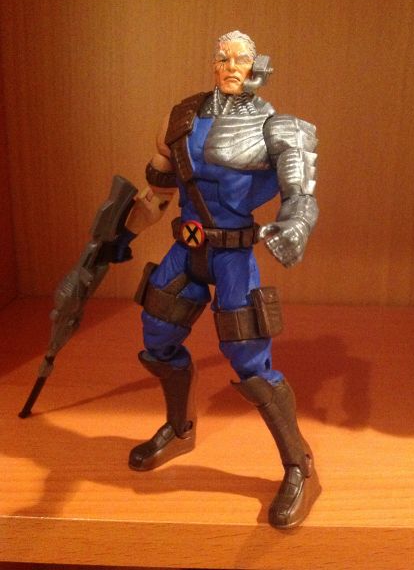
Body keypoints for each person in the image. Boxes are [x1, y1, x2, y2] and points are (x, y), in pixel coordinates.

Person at [115, 30, 320, 528]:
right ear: (214, 64)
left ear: (256, 66)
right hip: (186, 248)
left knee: (249, 360)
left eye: (241, 59)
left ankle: (299, 466)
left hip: (232, 255)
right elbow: (158, 192)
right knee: (156, 336)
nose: (231, 67)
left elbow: (301, 197)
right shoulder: (181, 118)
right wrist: (120, 235)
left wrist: (293, 226)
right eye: (223, 58)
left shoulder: (277, 128)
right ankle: (179, 429)